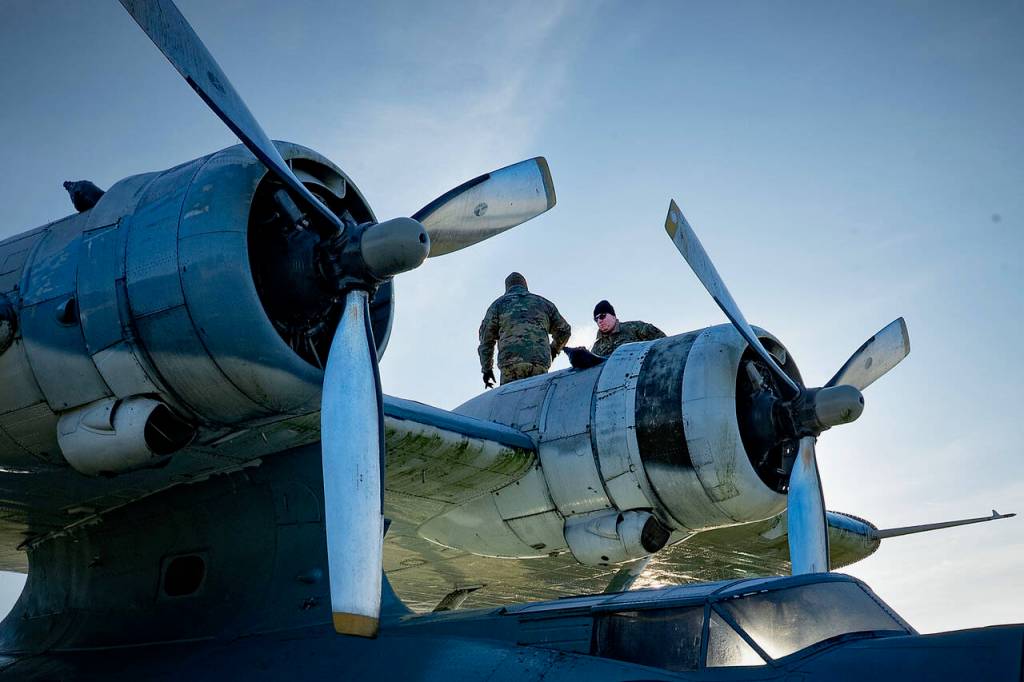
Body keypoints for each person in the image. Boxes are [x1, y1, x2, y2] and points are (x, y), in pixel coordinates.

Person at [478, 272, 571, 387]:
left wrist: (487, 369)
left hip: (511, 365)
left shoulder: (497, 306)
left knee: (512, 403)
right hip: (539, 364)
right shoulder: (545, 304)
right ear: (525, 286)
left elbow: (486, 341)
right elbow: (564, 330)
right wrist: (554, 350)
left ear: (507, 288)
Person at [590, 300, 665, 356]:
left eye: (602, 316)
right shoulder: (597, 347)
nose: (599, 321)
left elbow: (664, 343)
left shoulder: (635, 328)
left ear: (613, 316)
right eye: (596, 319)